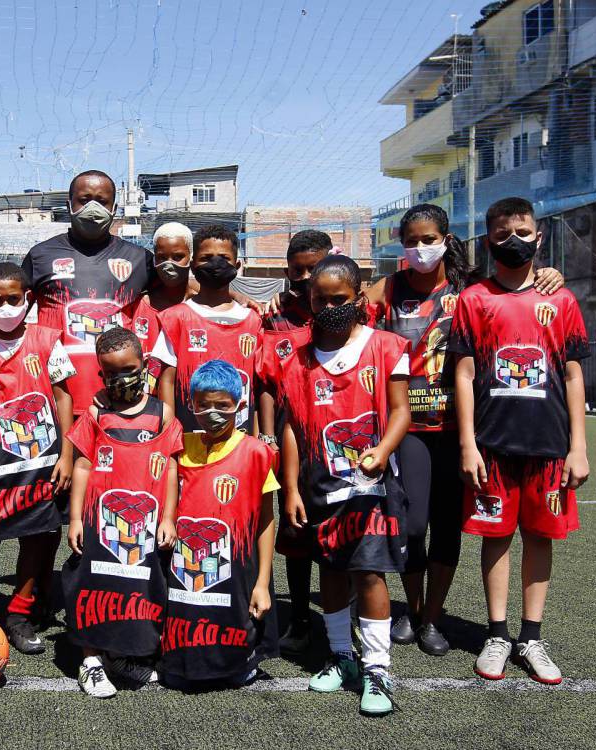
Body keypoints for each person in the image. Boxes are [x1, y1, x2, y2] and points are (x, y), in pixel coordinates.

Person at [366, 203, 564, 655]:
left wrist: (551, 275)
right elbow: (340, 305)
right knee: (412, 525)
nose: (420, 248)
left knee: (447, 527)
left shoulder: (469, 287)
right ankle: (413, 609)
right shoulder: (388, 287)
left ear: (446, 240)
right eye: (411, 241)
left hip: (462, 429)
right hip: (408, 427)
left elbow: (515, 289)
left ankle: (433, 619)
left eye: (429, 239)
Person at [449, 197, 590, 685]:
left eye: (524, 232)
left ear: (539, 237)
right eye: (503, 233)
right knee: (496, 537)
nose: (514, 240)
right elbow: (464, 374)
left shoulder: (561, 300)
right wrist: (467, 443)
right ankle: (497, 634)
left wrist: (578, 446)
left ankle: (531, 636)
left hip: (549, 445)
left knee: (540, 536)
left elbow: (573, 375)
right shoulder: (475, 299)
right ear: (489, 241)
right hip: (491, 444)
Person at [280, 255, 411, 717]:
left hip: (371, 488)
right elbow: (291, 427)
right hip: (321, 485)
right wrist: (291, 487)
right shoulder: (296, 357)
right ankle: (341, 657)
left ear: (358, 297)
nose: (331, 307)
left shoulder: (386, 346)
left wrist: (383, 449)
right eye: (321, 300)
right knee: (332, 571)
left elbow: (401, 411)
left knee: (369, 572)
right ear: (309, 300)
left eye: (340, 299)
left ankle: (377, 667)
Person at [62, 327, 182, 698]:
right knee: (94, 587)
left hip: (144, 523)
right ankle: (91, 661)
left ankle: (122, 656)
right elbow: (82, 465)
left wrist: (168, 517)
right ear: (100, 372)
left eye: (128, 369)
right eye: (111, 372)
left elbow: (172, 467)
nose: (120, 378)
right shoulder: (96, 412)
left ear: (145, 365)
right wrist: (76, 518)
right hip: (100, 522)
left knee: (136, 589)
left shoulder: (161, 414)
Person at [0, 262, 75, 654]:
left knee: (36, 538)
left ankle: (20, 613)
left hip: (41, 464)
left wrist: (66, 453)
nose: (6, 307)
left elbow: (63, 396)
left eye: (13, 299)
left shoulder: (47, 340)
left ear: (28, 299)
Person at [160, 359, 278, 690]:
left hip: (234, 570)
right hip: (185, 566)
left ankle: (241, 662)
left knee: (231, 638)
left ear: (239, 404)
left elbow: (266, 520)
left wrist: (263, 583)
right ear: (191, 404)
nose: (213, 413)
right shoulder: (180, 446)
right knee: (180, 662)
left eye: (223, 406)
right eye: (204, 405)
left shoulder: (256, 452)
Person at [20, 171, 155, 416]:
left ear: (114, 208)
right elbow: (11, 314)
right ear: (69, 205)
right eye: (84, 200)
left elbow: (177, 296)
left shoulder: (140, 259)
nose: (93, 208)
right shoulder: (41, 256)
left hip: (122, 401)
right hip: (57, 400)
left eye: (102, 201)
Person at [255, 230, 331, 656]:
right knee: (295, 530)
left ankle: (341, 621)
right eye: (296, 270)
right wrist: (267, 436)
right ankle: (300, 619)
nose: (304, 277)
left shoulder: (345, 311)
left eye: (312, 268)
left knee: (339, 532)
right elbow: (266, 382)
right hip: (290, 442)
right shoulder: (275, 318)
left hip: (337, 442)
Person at [153, 224, 263, 433]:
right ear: (193, 266)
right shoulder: (175, 318)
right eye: (206, 258)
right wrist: (170, 434)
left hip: (239, 440)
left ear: (237, 265)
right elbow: (166, 381)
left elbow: (258, 388)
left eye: (224, 257)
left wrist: (257, 438)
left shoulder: (253, 321)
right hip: (189, 440)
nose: (215, 264)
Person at [129, 222, 194, 394]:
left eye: (178, 257)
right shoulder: (138, 304)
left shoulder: (199, 307)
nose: (169, 264)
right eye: (162, 257)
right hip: (143, 401)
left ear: (191, 258)